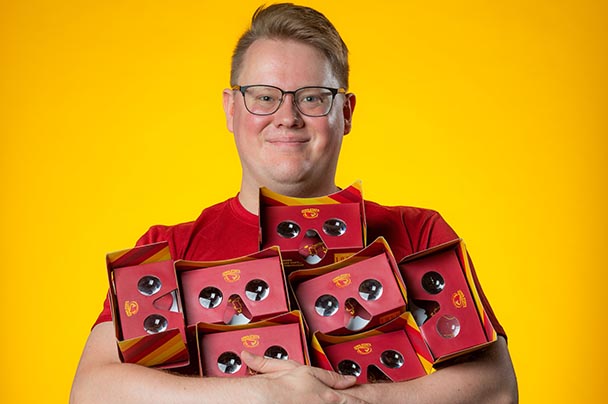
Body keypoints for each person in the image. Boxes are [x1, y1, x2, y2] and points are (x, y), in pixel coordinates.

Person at [70, 3, 518, 403]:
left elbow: (496, 389)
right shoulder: (168, 249)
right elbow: (92, 392)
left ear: (346, 113)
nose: (287, 117)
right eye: (264, 97)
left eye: (312, 98)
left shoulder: (417, 234)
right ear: (231, 109)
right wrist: (260, 395)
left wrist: (345, 401)